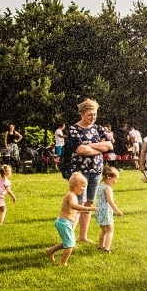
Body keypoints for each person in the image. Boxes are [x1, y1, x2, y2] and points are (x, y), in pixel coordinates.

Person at [64, 99, 113, 242]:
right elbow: (80, 149)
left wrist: (90, 146)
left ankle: (83, 236)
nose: (93, 118)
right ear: (81, 114)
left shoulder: (98, 128)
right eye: (89, 115)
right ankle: (69, 238)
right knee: (78, 204)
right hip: (80, 172)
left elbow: (109, 145)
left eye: (95, 114)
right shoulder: (74, 129)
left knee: (89, 203)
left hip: (96, 170)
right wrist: (98, 148)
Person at [45, 172, 97, 266]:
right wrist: (88, 208)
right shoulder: (71, 195)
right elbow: (73, 206)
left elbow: (72, 211)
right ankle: (63, 263)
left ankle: (50, 251)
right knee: (70, 245)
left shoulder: (73, 195)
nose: (85, 188)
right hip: (63, 223)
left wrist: (82, 212)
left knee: (68, 241)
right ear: (76, 185)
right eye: (83, 186)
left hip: (65, 222)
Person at [95, 166, 124, 253]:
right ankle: (107, 248)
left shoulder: (100, 187)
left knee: (103, 230)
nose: (116, 181)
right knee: (110, 231)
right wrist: (117, 210)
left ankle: (100, 246)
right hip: (106, 212)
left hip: (99, 211)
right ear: (109, 177)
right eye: (116, 179)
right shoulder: (108, 188)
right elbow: (110, 201)